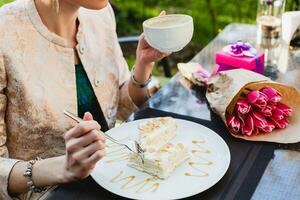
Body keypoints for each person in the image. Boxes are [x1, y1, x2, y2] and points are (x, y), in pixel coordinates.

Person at [0, 0, 168, 199]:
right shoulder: (5, 32)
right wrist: (64, 168)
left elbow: (120, 108)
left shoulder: (101, 14)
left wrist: (143, 64)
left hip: (119, 176)